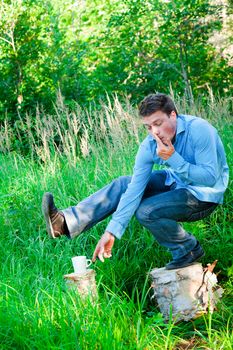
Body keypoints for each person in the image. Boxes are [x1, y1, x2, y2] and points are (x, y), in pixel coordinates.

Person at [42, 93, 229, 269]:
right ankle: (66, 223)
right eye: (148, 127)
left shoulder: (199, 130)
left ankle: (187, 249)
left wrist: (172, 158)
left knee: (146, 211)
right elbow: (134, 191)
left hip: (204, 195)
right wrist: (111, 232)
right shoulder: (149, 145)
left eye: (158, 123)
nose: (154, 132)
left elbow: (210, 178)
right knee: (124, 184)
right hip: (177, 183)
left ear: (173, 115)